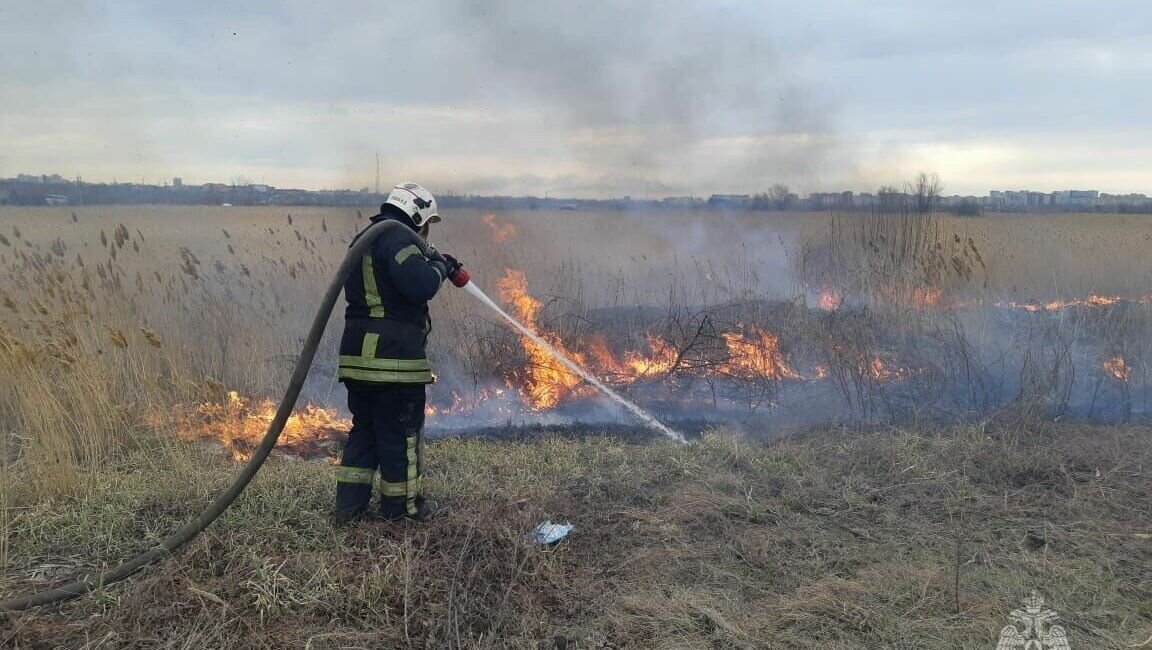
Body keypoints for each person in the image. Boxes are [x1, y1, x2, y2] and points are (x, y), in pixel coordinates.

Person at [333, 182, 461, 522]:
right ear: (418, 214)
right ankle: (402, 511)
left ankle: (349, 510)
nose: (426, 230)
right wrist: (441, 267)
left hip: (357, 359)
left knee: (364, 432)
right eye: (427, 223)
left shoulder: (365, 238)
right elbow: (420, 287)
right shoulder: (400, 239)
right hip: (393, 362)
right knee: (400, 436)